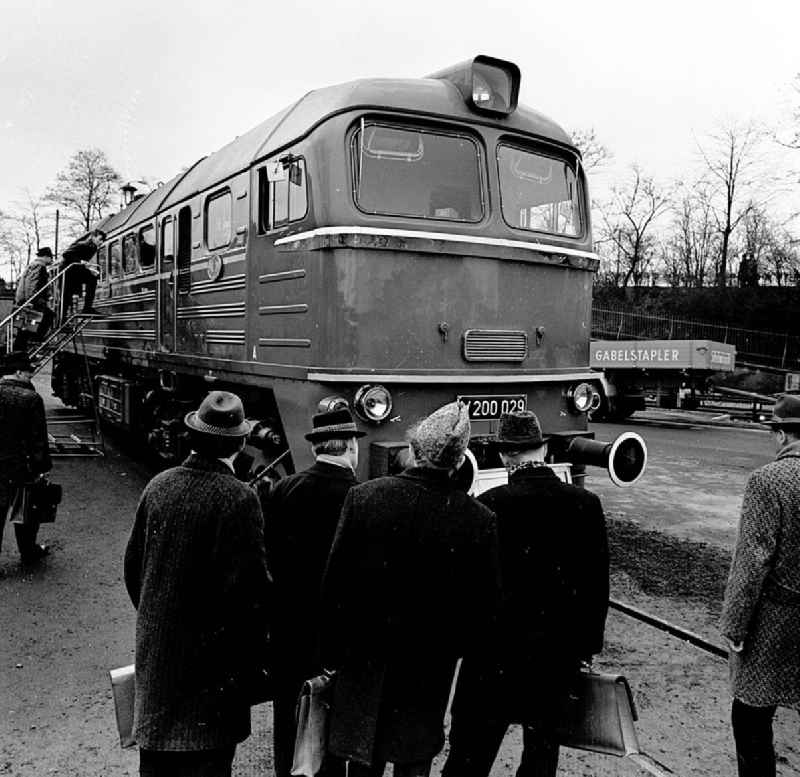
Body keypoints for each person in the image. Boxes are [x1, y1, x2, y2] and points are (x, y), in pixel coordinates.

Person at [320, 401, 501, 777]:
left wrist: (332, 653)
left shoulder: (364, 498)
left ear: (414, 450)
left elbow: (335, 586)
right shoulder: (479, 520)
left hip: (366, 660)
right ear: (457, 462)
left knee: (363, 761)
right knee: (414, 760)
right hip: (428, 672)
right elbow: (484, 612)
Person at [443, 410, 610, 777]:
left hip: (492, 661)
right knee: (541, 758)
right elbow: (597, 591)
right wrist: (585, 652)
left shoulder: (486, 504)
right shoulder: (586, 505)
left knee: (469, 759)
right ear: (545, 450)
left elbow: (466, 589)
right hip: (556, 660)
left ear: (504, 455)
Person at [124, 390, 272, 777]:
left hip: (159, 663)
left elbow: (132, 568)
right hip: (211, 677)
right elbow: (252, 593)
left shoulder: (159, 485)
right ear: (240, 443)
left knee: (156, 766)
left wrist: (159, 615)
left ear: (192, 434)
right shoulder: (239, 497)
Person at [265, 407, 364, 777]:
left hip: (289, 637)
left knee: (288, 734)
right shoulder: (361, 497)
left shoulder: (282, 490)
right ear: (351, 447)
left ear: (315, 448)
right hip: (336, 643)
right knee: (328, 740)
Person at [720, 393, 800, 777]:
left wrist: (734, 627)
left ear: (782, 434)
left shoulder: (768, 481)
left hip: (775, 624)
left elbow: (751, 563)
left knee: (750, 718)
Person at [0, 351, 52, 564]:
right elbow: (37, 439)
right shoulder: (31, 399)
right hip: (22, 466)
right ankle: (28, 552)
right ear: (19, 372)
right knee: (26, 511)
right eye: (28, 374)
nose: (30, 378)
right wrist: (42, 467)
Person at [59, 229, 105, 315]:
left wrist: (89, 268)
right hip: (67, 271)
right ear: (93, 237)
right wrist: (80, 261)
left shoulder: (93, 247)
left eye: (103, 240)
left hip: (74, 271)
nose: (101, 242)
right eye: (100, 239)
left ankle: (87, 308)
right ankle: (62, 321)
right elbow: (66, 254)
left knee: (92, 279)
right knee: (66, 297)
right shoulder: (83, 244)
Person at [14, 247, 55, 341]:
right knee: (49, 315)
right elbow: (31, 285)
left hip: (24, 299)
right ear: (46, 256)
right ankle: (37, 338)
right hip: (31, 299)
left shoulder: (32, 265)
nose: (51, 260)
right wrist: (31, 300)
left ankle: (21, 349)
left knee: (25, 327)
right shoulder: (39, 266)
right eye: (50, 258)